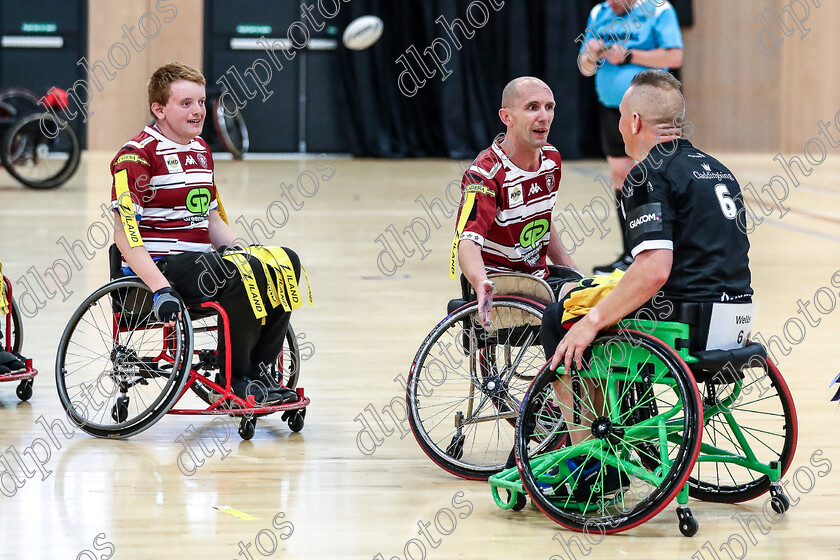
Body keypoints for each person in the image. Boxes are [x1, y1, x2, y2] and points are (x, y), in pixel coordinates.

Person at [540, 69, 752, 495]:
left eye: (620, 115)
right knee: (621, 312)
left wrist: (593, 319)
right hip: (738, 319)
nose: (618, 124)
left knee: (562, 318)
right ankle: (637, 446)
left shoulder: (647, 173)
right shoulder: (717, 169)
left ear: (634, 122)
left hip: (687, 322)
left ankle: (590, 463)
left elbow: (655, 269)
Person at [110, 62, 301, 406]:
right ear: (160, 109)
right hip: (160, 268)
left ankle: (258, 371)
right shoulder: (136, 155)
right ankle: (234, 378)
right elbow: (124, 235)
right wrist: (160, 288)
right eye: (186, 103)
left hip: (203, 266)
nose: (198, 111)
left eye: (200, 102)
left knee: (281, 262)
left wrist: (242, 251)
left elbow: (211, 219)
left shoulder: (201, 151)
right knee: (235, 274)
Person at [452, 76, 581, 326]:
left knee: (606, 296)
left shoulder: (552, 159)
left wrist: (573, 271)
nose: (544, 116)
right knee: (587, 310)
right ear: (506, 117)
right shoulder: (485, 174)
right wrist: (480, 282)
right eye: (532, 107)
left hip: (539, 282)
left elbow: (543, 221)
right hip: (505, 287)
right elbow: (467, 241)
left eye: (549, 107)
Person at [578, 0, 683, 274]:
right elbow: (585, 68)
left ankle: (659, 255)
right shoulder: (599, 12)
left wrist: (629, 56)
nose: (611, 5)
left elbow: (674, 57)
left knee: (652, 177)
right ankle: (629, 254)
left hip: (650, 111)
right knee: (621, 179)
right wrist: (590, 55)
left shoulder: (659, 9)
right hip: (614, 111)